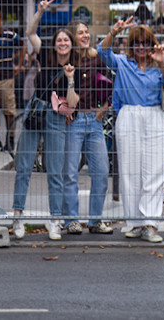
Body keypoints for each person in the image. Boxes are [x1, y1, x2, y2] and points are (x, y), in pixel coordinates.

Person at [98, 17, 164, 243]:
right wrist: (113, 31)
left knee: (156, 170)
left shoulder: (160, 63)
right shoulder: (122, 62)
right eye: (137, 43)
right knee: (130, 172)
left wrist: (161, 63)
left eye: (145, 43)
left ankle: (150, 223)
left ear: (151, 44)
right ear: (131, 45)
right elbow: (102, 52)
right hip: (128, 116)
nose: (141, 47)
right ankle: (135, 222)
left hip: (154, 115)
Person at [12, 0, 77, 241]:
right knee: (24, 165)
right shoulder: (47, 55)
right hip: (37, 110)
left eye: (66, 40)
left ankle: (55, 220)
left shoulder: (75, 66)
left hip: (58, 117)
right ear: (55, 44)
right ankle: (17, 216)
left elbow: (72, 103)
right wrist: (39, 11)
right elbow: (30, 33)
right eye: (59, 40)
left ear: (71, 44)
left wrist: (70, 79)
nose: (62, 43)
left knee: (55, 170)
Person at [61, 17, 112, 235]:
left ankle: (95, 220)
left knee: (101, 171)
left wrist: (103, 109)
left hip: (94, 121)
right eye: (80, 32)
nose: (85, 35)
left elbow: (109, 84)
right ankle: (71, 220)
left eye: (86, 31)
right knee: (70, 173)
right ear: (73, 37)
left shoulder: (96, 58)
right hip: (73, 122)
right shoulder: (67, 60)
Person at [0, 9, 23, 140]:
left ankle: (10, 139)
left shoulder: (9, 35)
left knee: (9, 110)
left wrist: (19, 65)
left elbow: (23, 45)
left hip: (6, 78)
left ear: (1, 21)